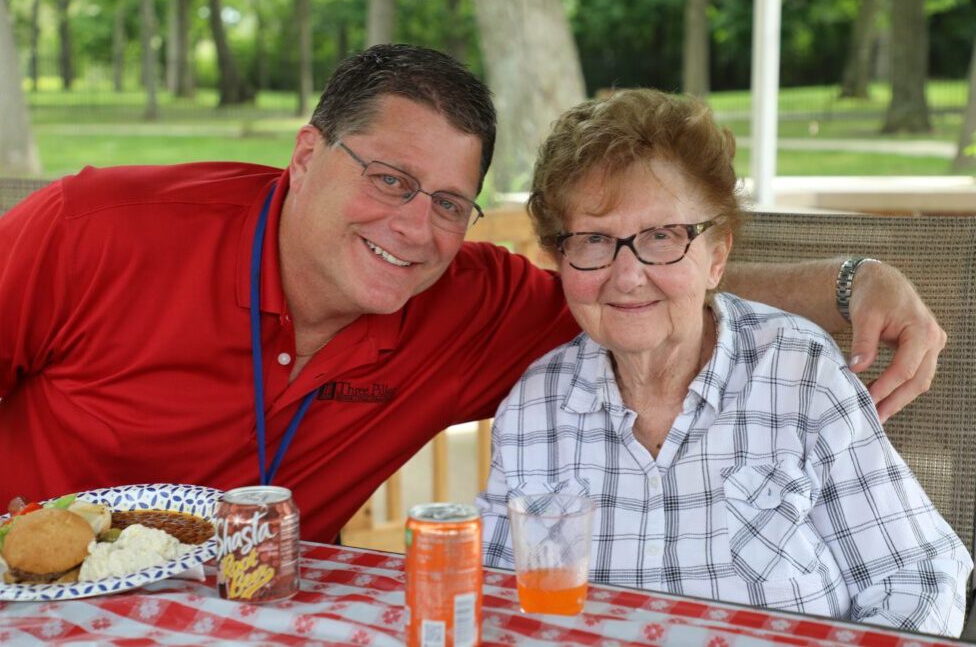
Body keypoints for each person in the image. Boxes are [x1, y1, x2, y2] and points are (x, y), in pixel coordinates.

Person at [0, 45, 946, 546]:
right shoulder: (93, 228)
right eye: (391, 180)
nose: (415, 228)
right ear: (304, 154)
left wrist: (848, 280)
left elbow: (636, 274)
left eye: (451, 202)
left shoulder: (468, 299)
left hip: (260, 609)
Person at [477, 89, 971, 636]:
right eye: (594, 240)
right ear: (558, 258)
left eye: (662, 237)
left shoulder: (799, 374)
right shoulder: (537, 405)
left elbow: (921, 575)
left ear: (716, 258)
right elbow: (497, 597)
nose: (627, 274)